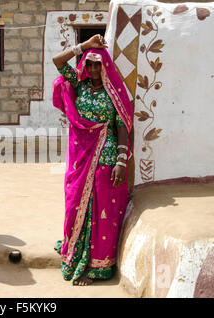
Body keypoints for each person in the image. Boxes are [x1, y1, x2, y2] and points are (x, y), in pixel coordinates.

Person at [52, 34, 133, 286]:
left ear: (105, 65)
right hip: (80, 155)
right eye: (90, 63)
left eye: (98, 64)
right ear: (85, 66)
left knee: (102, 210)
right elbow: (57, 61)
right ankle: (75, 251)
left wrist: (121, 160)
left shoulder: (113, 93)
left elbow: (121, 126)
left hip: (106, 155)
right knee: (76, 202)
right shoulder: (79, 85)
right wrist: (85, 46)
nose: (94, 68)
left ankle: (97, 265)